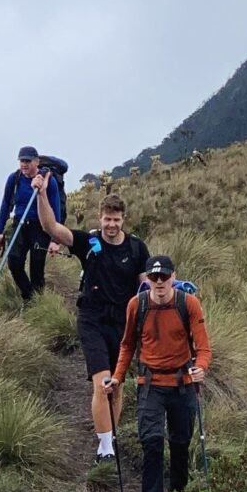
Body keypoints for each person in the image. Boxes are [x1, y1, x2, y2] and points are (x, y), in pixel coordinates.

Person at [32, 173, 150, 463]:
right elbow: (51, 227)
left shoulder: (136, 248)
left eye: (116, 219)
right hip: (93, 319)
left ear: (124, 220)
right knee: (103, 383)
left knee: (118, 385)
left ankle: (112, 433)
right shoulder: (89, 243)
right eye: (107, 219)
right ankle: (106, 448)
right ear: (100, 218)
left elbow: (146, 286)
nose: (111, 225)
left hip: (123, 324)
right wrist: (42, 195)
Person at [105, 254, 211, 492]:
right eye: (154, 277)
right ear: (148, 280)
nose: (160, 282)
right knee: (151, 444)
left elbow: (203, 347)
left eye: (164, 277)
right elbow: (127, 345)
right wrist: (117, 378)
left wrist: (200, 368)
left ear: (174, 277)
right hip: (150, 385)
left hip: (182, 385)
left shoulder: (189, 304)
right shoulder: (136, 305)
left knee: (179, 445)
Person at [0, 147, 62, 303]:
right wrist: (0, 231)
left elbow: (56, 207)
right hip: (20, 225)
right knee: (14, 262)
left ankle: (39, 305)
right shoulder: (15, 178)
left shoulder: (48, 180)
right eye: (22, 161)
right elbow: (5, 203)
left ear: (36, 162)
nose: (24, 164)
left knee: (37, 268)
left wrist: (55, 239)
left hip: (41, 227)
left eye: (28, 161)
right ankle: (30, 297)